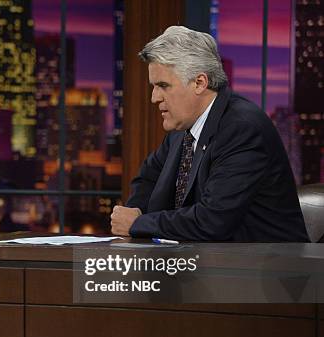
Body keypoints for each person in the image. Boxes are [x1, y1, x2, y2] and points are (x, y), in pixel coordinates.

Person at [110, 26, 308, 242]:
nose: (154, 98)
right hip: (208, 263)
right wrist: (132, 214)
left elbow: (212, 221)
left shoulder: (242, 129)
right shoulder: (182, 131)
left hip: (268, 268)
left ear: (199, 83)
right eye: (153, 87)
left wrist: (139, 224)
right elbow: (148, 178)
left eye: (163, 86)